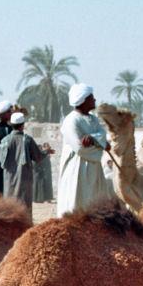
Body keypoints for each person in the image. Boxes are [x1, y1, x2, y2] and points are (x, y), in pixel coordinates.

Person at [56, 83, 111, 217]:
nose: (94, 100)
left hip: (94, 168)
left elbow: (103, 135)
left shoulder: (93, 119)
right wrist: (100, 145)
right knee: (76, 202)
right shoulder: (71, 121)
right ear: (83, 100)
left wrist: (93, 139)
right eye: (91, 97)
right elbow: (79, 148)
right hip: (77, 168)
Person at [0, 112, 51, 217]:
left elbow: (1, 161)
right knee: (24, 210)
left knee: (9, 209)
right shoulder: (27, 140)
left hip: (9, 181)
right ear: (23, 125)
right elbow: (38, 157)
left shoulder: (5, 140)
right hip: (24, 182)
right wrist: (47, 151)